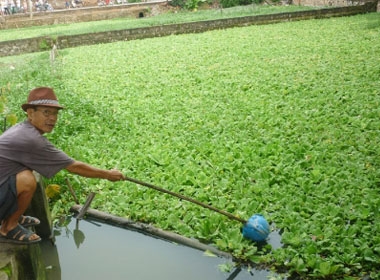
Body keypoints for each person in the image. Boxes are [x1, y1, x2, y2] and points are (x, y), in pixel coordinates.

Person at [0, 87, 126, 244]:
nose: (52, 118)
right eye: (46, 112)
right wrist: (107, 174)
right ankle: (8, 226)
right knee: (27, 180)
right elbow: (73, 166)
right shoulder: (31, 139)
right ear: (30, 113)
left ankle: (13, 216)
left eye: (55, 113)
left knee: (25, 173)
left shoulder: (22, 129)